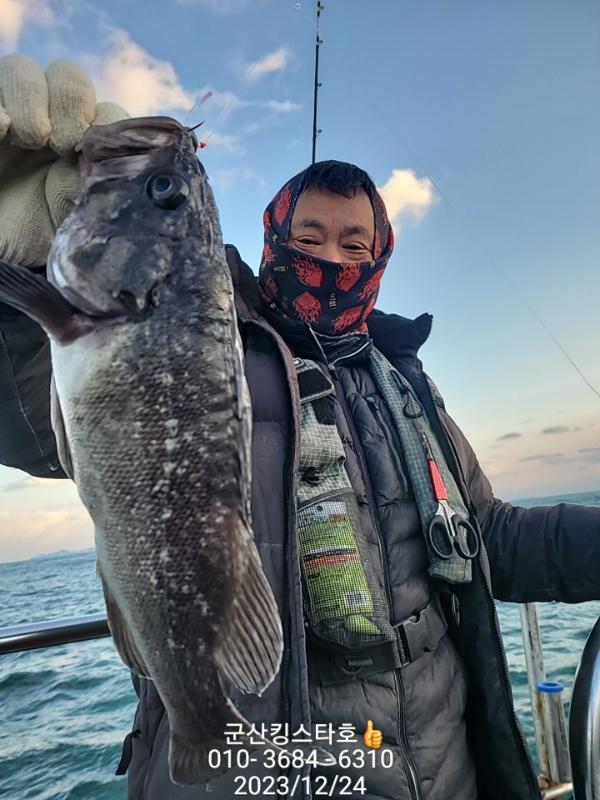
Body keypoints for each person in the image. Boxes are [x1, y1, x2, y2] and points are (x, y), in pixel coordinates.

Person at [1, 54, 600, 800]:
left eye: (355, 246)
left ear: (380, 258)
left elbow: (491, 538)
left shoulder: (405, 383)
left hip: (444, 760)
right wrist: (21, 288)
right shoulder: (202, 345)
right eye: (309, 238)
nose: (331, 260)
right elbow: (35, 416)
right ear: (270, 239)